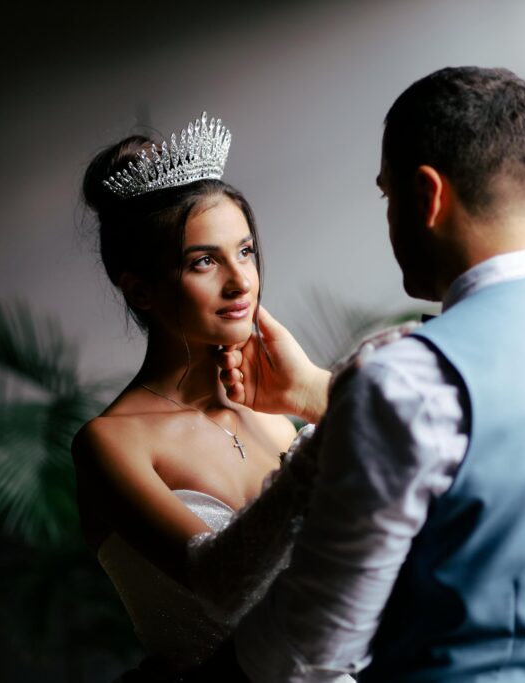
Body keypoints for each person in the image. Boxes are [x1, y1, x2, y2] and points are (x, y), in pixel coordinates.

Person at [210, 66, 525, 681]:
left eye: (388, 196)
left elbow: (310, 650)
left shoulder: (405, 382)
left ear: (426, 196)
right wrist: (316, 392)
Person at [70, 113, 334, 679]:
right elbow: (227, 583)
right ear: (141, 289)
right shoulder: (109, 444)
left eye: (245, 251)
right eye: (204, 261)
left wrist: (315, 396)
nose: (240, 281)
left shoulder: (278, 420)